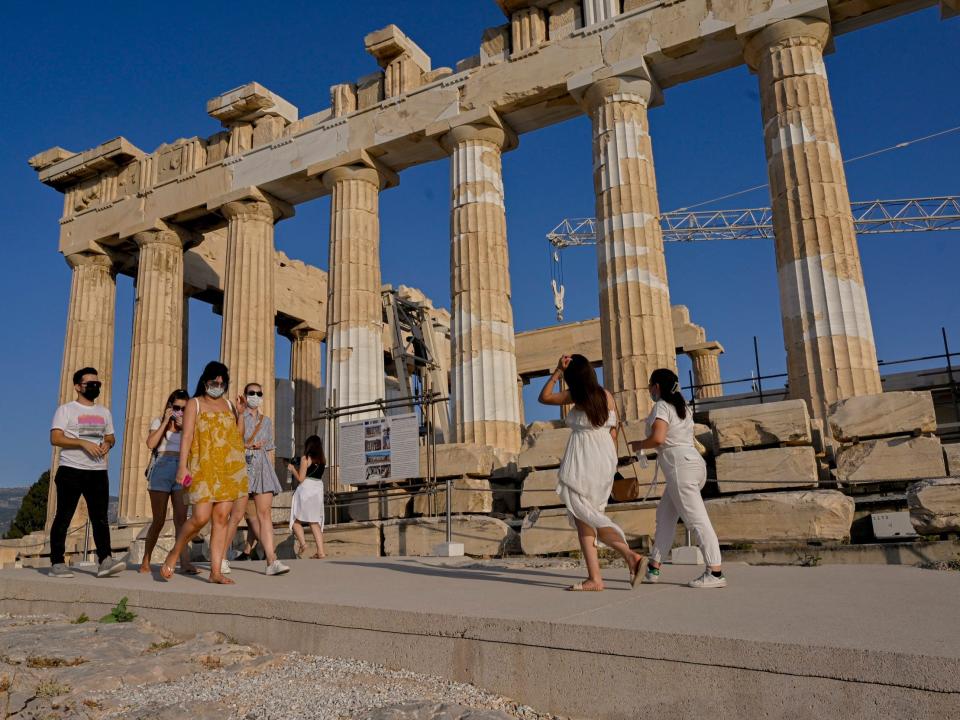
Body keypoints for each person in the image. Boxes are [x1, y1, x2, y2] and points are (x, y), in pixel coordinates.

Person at [538, 355, 646, 591]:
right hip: (605, 458)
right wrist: (611, 464)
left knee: (584, 518)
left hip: (583, 459)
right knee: (588, 518)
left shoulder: (576, 395)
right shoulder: (606, 395)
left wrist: (557, 371)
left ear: (572, 376)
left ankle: (625, 560)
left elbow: (543, 397)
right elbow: (614, 432)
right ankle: (600, 574)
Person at [630, 368, 726, 589]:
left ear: (657, 387)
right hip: (692, 465)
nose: (648, 390)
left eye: (649, 386)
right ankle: (654, 567)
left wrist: (639, 445)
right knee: (664, 516)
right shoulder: (682, 406)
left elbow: (658, 437)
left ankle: (715, 571)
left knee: (696, 520)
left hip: (680, 468)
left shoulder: (662, 406)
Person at [159, 361, 248, 584]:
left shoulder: (228, 405)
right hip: (203, 466)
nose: (218, 385)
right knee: (200, 517)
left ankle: (215, 571)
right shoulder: (194, 404)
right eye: (214, 381)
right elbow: (187, 436)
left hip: (228, 467)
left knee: (221, 518)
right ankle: (176, 551)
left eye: (222, 382)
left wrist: (241, 414)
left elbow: (238, 436)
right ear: (205, 381)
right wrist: (182, 466)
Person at [48, 367, 124, 579]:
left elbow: (111, 436)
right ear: (77, 387)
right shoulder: (66, 410)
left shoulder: (104, 412)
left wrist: (108, 444)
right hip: (71, 469)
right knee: (64, 515)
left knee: (100, 518)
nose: (94, 387)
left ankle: (105, 560)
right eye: (90, 384)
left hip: (98, 471)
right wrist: (82, 443)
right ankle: (57, 562)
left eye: (97, 384)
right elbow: (55, 438)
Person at [222, 383, 290, 576]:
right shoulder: (236, 416)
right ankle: (221, 558)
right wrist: (241, 417)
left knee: (265, 514)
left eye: (259, 393)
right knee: (236, 515)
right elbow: (233, 441)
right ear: (244, 395)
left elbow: (269, 448)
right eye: (251, 393)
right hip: (242, 465)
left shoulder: (266, 421)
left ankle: (271, 560)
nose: (255, 396)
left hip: (261, 466)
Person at [139, 389, 199, 575]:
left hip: (182, 468)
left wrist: (186, 425)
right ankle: (146, 560)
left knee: (182, 519)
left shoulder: (191, 424)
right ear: (169, 407)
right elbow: (150, 443)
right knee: (159, 519)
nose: (180, 411)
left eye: (184, 408)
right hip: (161, 466)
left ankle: (185, 561)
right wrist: (166, 421)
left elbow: (197, 446)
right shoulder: (159, 421)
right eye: (176, 408)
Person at [287, 435, 327, 559]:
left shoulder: (306, 458)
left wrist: (293, 469)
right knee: (314, 522)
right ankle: (321, 552)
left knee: (295, 520)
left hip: (306, 491)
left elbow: (301, 478)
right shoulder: (322, 460)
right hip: (317, 490)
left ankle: (303, 544)